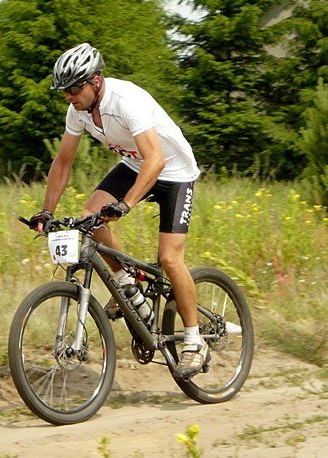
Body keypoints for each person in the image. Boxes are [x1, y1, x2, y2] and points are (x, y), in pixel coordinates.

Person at [29, 43, 208, 378]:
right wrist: (46, 211)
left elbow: (156, 160)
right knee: (90, 217)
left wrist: (126, 204)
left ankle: (195, 340)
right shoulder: (78, 111)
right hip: (135, 165)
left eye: (74, 88)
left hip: (172, 171)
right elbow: (63, 161)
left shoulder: (126, 101)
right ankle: (128, 286)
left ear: (95, 81)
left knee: (170, 259)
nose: (69, 96)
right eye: (65, 91)